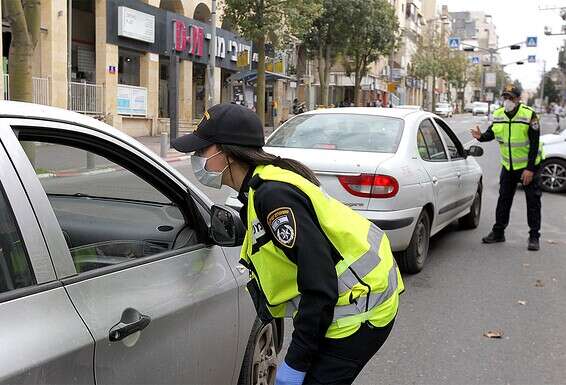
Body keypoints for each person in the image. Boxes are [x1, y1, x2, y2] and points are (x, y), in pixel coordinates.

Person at [171, 103, 403, 385]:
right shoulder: (260, 186)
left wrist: (295, 362)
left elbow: (319, 285)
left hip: (360, 313)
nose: (196, 158)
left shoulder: (273, 196)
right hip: (348, 305)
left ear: (227, 153)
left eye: (201, 151)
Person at [470, 84, 544, 251]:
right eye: (505, 97)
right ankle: (498, 233)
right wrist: (481, 137)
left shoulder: (529, 115)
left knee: (533, 202)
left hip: (528, 167)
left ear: (518, 99)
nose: (507, 101)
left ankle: (534, 237)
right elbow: (492, 133)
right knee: (504, 200)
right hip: (508, 167)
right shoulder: (498, 114)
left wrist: (530, 169)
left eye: (511, 98)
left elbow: (534, 145)